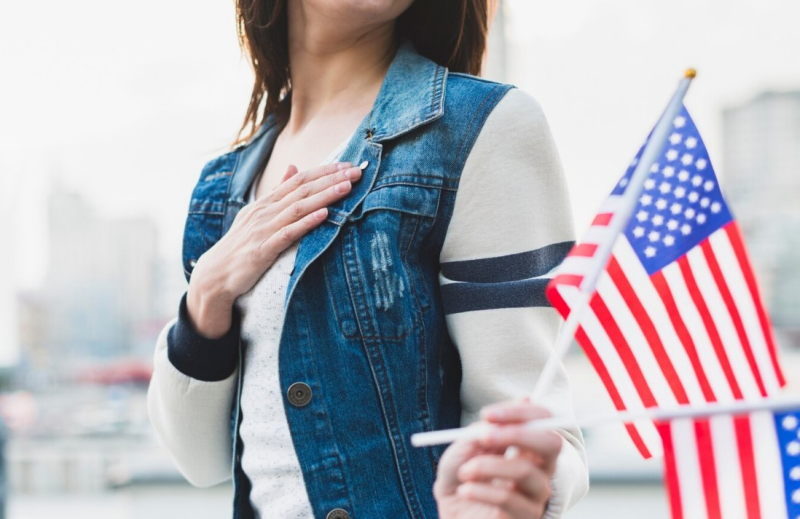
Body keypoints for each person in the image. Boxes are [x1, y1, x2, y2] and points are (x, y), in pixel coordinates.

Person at [146, 0, 589, 518]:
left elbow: (543, 430)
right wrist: (206, 296)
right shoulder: (223, 186)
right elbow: (201, 460)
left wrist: (523, 481)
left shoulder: (481, 127)